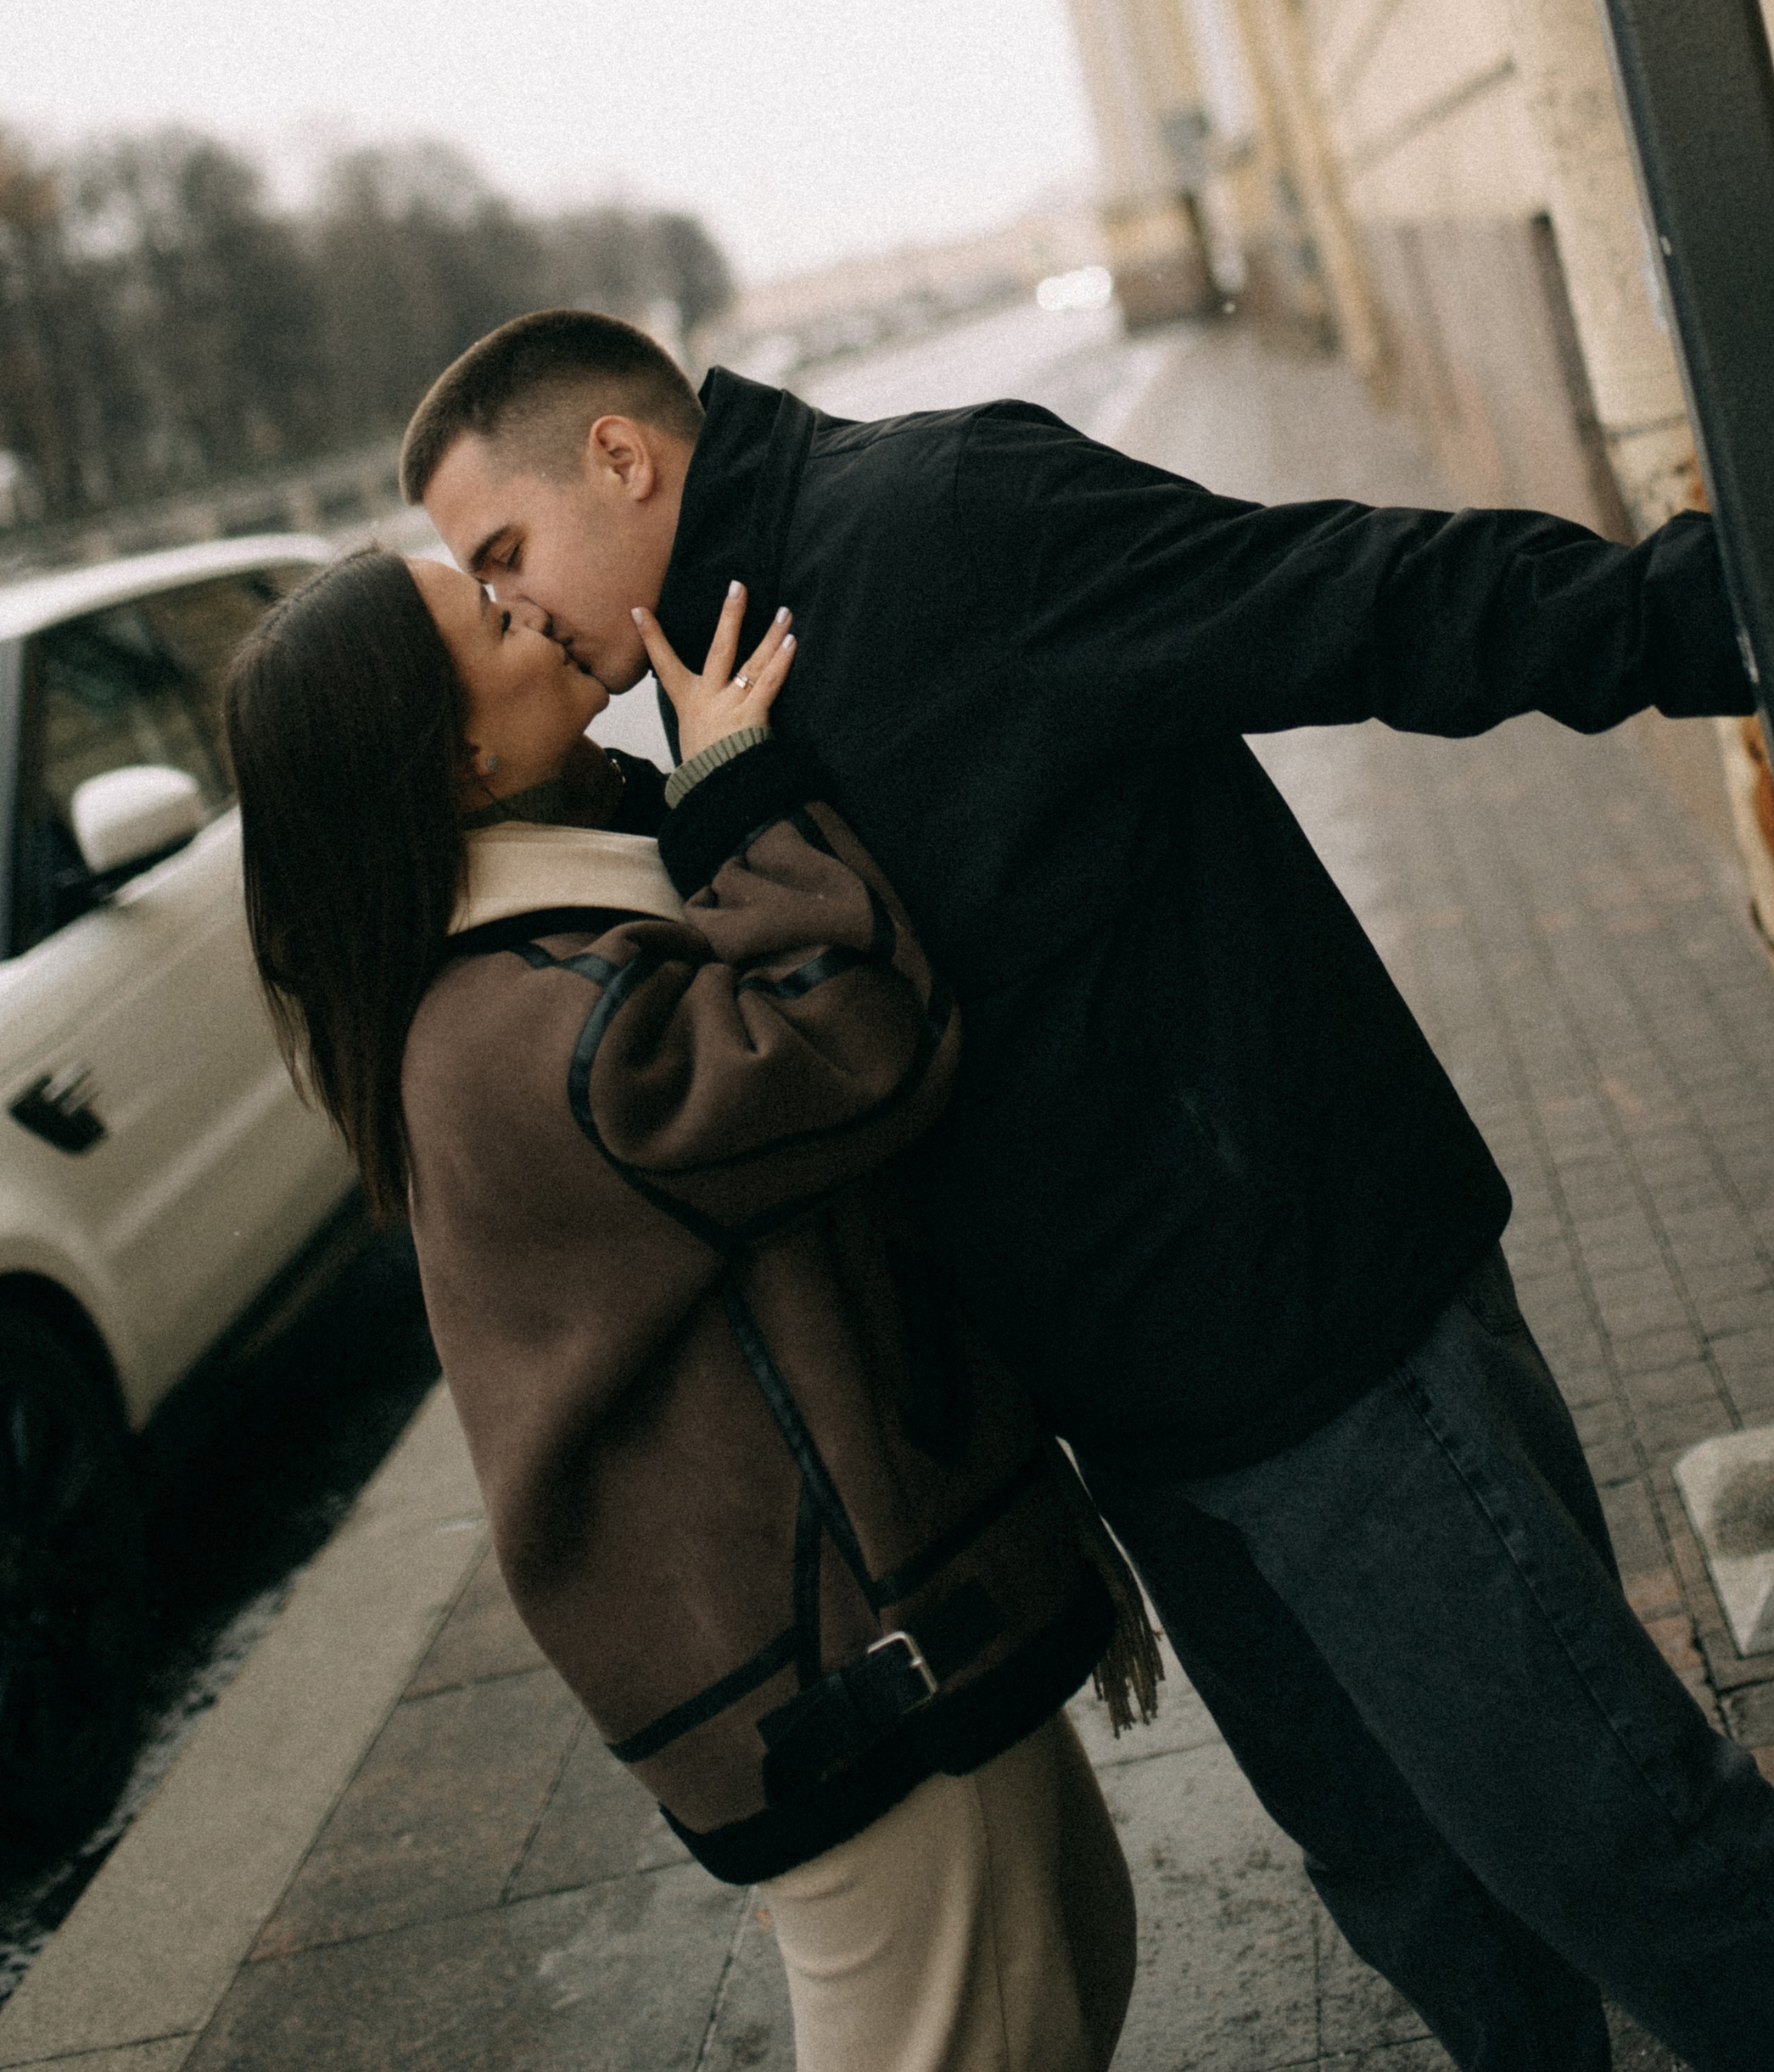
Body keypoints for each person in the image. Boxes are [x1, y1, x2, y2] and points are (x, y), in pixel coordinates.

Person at [404, 306, 1774, 2072]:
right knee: (1404, 1886)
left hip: (1325, 1335)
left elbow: (1342, 596)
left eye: (504, 553)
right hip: (1144, 1432)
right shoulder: (699, 721)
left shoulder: (939, 516)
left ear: (620, 456)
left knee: (1616, 1840)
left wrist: (1720, 609)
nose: (515, 607)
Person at [223, 543, 1139, 2072]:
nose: (540, 612)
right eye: (496, 617)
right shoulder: (523, 1030)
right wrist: (735, 791)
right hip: (836, 1657)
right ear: (452, 754)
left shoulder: (538, 930)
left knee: (1064, 1982)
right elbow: (859, 1035)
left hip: (847, 1623)